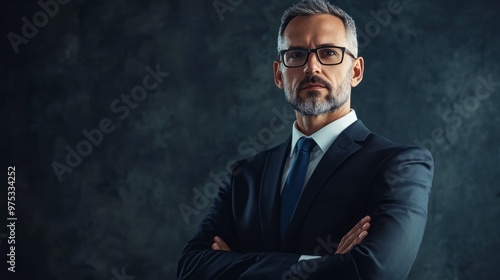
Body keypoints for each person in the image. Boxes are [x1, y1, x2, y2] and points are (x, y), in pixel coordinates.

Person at [177, 0, 434, 279]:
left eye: (328, 53)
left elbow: (375, 271)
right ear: (279, 74)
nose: (312, 67)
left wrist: (238, 265)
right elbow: (191, 268)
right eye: (297, 54)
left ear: (356, 72)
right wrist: (313, 261)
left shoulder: (399, 165)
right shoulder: (245, 176)